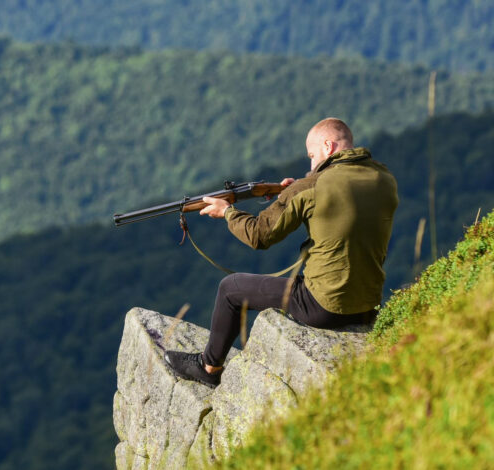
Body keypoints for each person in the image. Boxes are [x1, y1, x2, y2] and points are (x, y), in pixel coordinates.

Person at [164, 118, 398, 387]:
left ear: (328, 146)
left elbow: (258, 236)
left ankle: (208, 367)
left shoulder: (309, 188)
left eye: (312, 156)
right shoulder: (384, 178)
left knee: (231, 288)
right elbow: (340, 202)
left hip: (324, 305)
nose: (312, 163)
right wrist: (295, 190)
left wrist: (227, 212)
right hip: (368, 305)